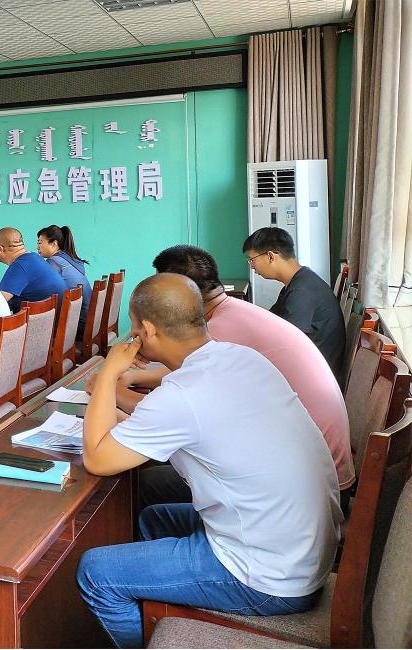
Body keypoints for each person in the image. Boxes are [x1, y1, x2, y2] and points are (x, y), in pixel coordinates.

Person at [77, 273, 342, 649]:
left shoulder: (184, 393)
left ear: (148, 330)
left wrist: (108, 373)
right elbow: (173, 423)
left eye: (134, 329)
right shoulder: (241, 358)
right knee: (152, 519)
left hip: (268, 578)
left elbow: (97, 459)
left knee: (95, 572)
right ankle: (156, 613)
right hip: (302, 551)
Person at [131, 245, 353, 501]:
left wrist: (115, 384)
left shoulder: (219, 330)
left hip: (308, 482)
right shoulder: (234, 312)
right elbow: (186, 378)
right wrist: (133, 376)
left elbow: (181, 400)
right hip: (313, 466)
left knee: (149, 476)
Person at [243, 227, 346, 374]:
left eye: (252, 260)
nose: (252, 266)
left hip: (313, 377)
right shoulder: (299, 282)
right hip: (307, 369)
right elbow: (269, 321)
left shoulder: (302, 291)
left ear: (270, 257)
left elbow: (288, 344)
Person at [0, 227, 68, 312]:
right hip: (56, 317)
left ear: (0, 249)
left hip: (42, 319)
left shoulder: (20, 266)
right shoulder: (34, 257)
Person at [37, 225, 92, 337]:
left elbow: (43, 291)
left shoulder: (54, 262)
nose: (37, 247)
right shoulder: (70, 259)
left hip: (78, 325)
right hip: (88, 320)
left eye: (40, 242)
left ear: (54, 244)